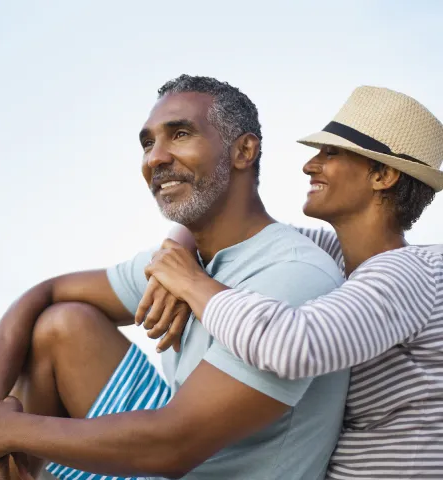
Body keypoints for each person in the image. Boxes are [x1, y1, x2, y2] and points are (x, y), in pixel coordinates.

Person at [0, 75, 349, 480]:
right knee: (61, 325)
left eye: (180, 134)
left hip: (174, 455)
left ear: (243, 151)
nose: (155, 159)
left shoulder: (291, 275)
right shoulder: (179, 263)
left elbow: (174, 445)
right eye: (148, 144)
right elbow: (45, 292)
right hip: (165, 460)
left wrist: (5, 430)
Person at [144, 86, 443, 479]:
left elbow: (293, 347)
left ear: (382, 175)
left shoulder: (415, 271)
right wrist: (177, 247)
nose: (310, 165)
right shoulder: (333, 254)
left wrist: (190, 282)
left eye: (331, 153)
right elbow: (227, 229)